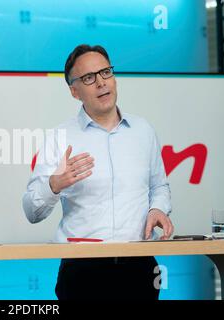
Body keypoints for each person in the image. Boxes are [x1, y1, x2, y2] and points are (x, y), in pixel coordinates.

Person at [22, 44, 174, 300]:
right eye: (89, 78)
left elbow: (159, 186)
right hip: (82, 271)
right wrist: (54, 184)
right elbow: (31, 211)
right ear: (74, 91)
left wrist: (157, 209)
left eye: (105, 73)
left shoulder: (143, 130)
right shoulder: (60, 137)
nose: (101, 83)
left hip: (140, 267)